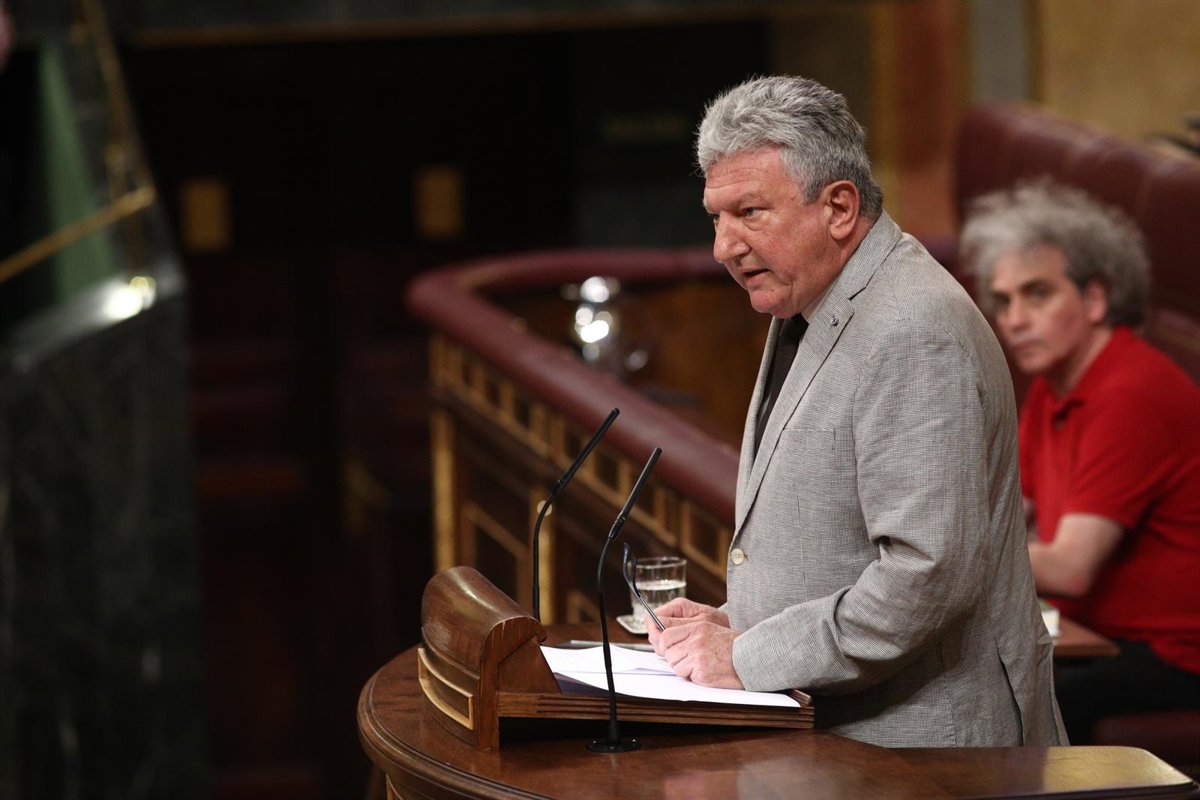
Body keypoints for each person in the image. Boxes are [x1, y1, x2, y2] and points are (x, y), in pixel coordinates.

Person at [644, 75, 1065, 747]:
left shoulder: (911, 329)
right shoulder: (812, 295)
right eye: (716, 218)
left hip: (929, 755)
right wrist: (737, 625)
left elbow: (926, 575)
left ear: (839, 208)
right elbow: (837, 542)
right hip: (846, 736)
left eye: (749, 212)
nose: (724, 246)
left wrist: (750, 657)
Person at [960, 180, 1200, 743]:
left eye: (1037, 294)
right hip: (1097, 634)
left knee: (992, 703)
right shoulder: (1055, 383)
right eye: (1004, 300)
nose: (1015, 320)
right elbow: (1009, 510)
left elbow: (1070, 567)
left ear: (1095, 300)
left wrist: (942, 553)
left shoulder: (1131, 393)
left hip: (1174, 655)